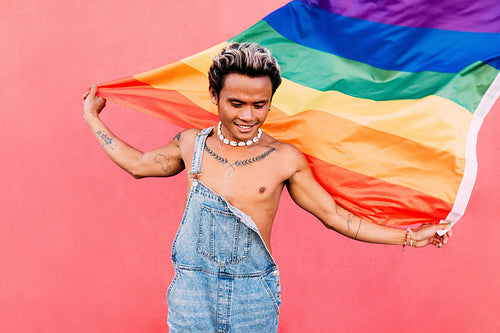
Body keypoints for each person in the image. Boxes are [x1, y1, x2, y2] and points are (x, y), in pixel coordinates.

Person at [83, 42, 452, 332]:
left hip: (252, 299)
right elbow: (136, 165)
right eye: (236, 103)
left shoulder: (285, 159)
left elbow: (336, 217)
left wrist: (409, 237)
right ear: (215, 96)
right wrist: (92, 117)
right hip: (192, 296)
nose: (248, 116)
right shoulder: (191, 145)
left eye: (260, 105)